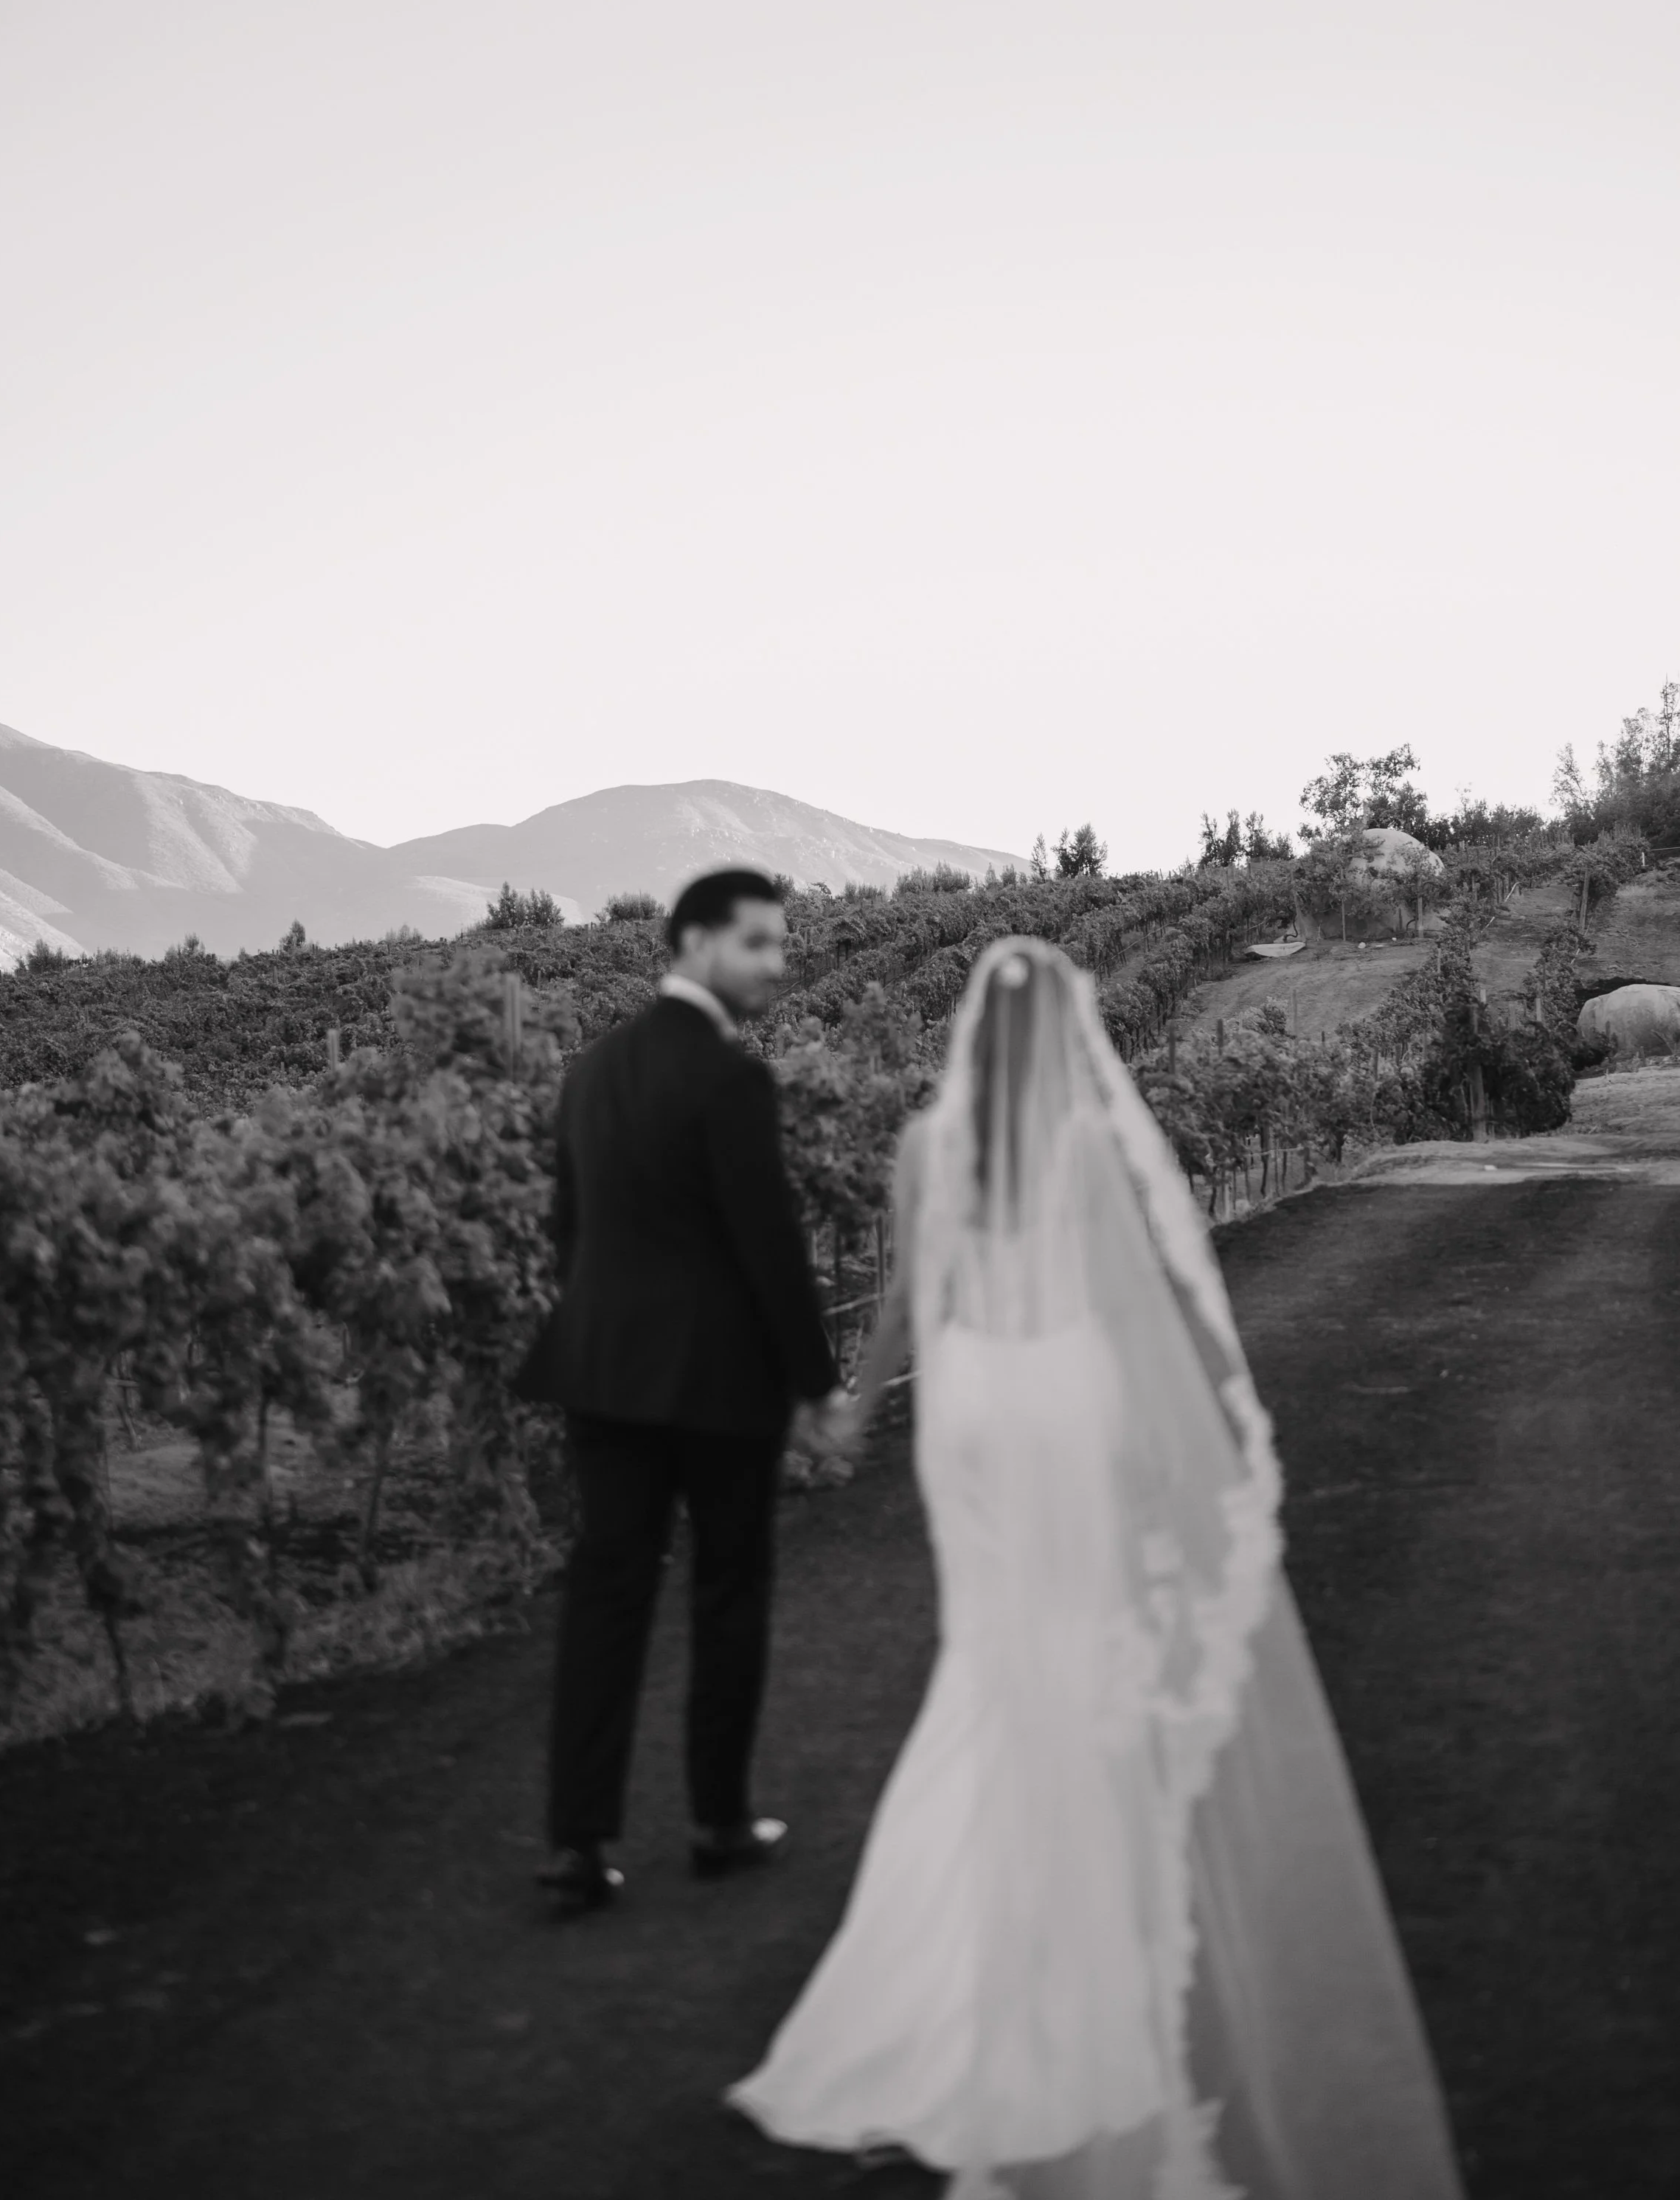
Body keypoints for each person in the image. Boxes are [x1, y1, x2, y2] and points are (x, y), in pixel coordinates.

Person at [727, 937, 1464, 2199]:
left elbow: (907, 1299)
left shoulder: (923, 1147)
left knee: (989, 1664)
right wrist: (1197, 1428)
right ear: (1067, 1038)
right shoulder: (1088, 1148)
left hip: (969, 1413)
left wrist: (853, 1407)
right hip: (1065, 1394)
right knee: (1075, 1658)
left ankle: (927, 1994)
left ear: (970, 1032)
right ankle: (1071, 1995)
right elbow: (1146, 1305)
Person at [528, 867, 857, 1918]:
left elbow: (568, 1233)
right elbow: (768, 1249)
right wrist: (817, 1384)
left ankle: (577, 1845)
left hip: (604, 1373)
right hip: (718, 1384)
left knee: (606, 1600)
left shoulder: (590, 1071)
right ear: (697, 942)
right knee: (727, 1594)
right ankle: (717, 1824)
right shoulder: (730, 1080)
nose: (778, 962)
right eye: (759, 943)